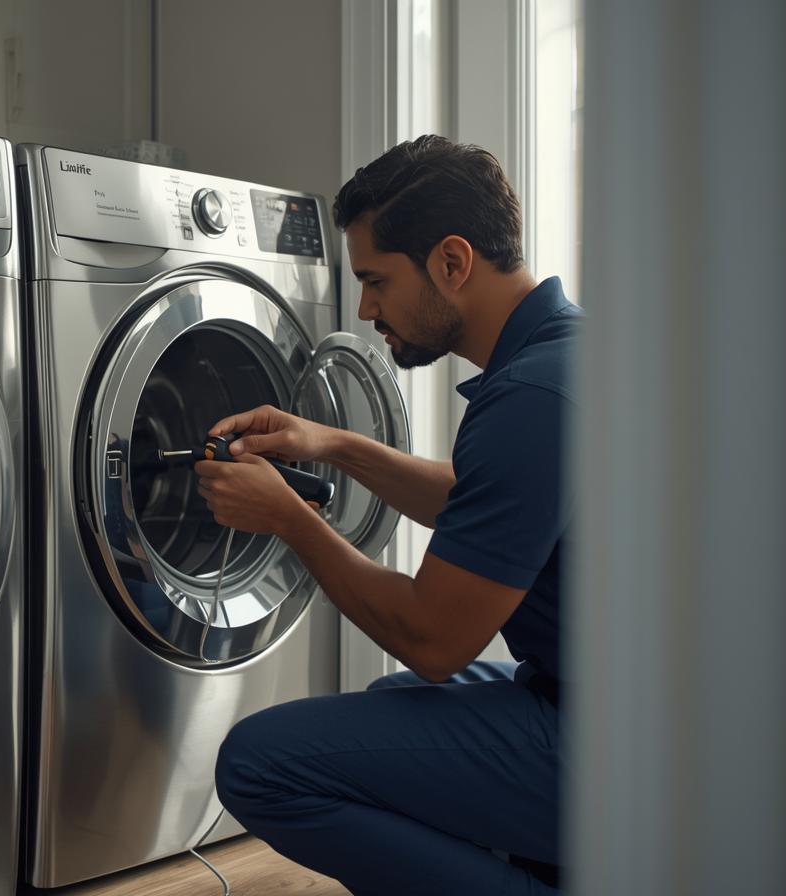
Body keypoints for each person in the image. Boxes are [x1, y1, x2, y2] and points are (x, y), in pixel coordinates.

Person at [201, 135, 578, 895]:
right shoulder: (564, 357)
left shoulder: (532, 400)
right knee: (393, 705)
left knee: (258, 763)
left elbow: (433, 639)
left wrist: (291, 520)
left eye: (376, 280)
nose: (367, 307)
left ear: (451, 261)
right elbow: (488, 505)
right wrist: (329, 443)